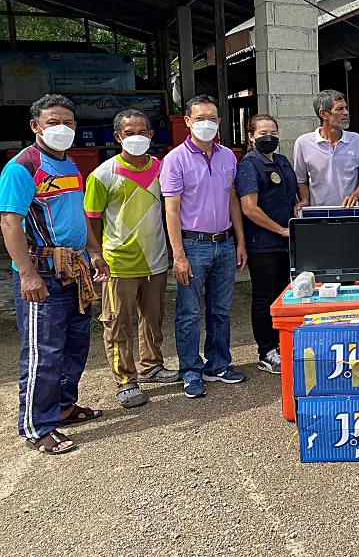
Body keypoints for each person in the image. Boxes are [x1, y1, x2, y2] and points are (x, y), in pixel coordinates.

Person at [0, 94, 109, 454]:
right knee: (43, 351)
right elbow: (10, 222)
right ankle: (37, 425)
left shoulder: (71, 166)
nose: (62, 129)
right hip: (42, 273)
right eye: (53, 122)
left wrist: (94, 252)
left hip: (74, 268)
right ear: (35, 126)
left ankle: (63, 405)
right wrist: (27, 275)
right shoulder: (22, 168)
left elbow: (79, 216)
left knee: (76, 344)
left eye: (69, 122)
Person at [84, 109, 179, 410]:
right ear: (117, 137)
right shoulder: (102, 175)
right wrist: (95, 254)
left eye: (142, 132)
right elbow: (92, 219)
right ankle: (125, 380)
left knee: (153, 318)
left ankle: (151, 364)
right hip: (118, 263)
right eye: (129, 132)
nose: (136, 137)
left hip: (155, 260)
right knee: (117, 323)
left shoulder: (163, 169)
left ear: (151, 135)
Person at [160, 94, 247, 399]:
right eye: (200, 119)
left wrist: (240, 241)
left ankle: (219, 364)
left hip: (223, 243)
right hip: (192, 245)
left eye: (212, 118)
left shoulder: (227, 157)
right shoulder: (174, 160)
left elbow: (232, 200)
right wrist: (178, 255)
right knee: (189, 312)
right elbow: (171, 210)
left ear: (219, 122)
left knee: (221, 310)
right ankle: (191, 370)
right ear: (188, 122)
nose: (207, 124)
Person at [236, 114, 299, 375]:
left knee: (286, 294)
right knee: (265, 297)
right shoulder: (249, 165)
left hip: (287, 241)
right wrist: (280, 230)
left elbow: (292, 193)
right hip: (264, 243)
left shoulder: (282, 161)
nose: (269, 137)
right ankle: (266, 351)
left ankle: (283, 343)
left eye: (273, 132)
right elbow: (249, 209)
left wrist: (299, 204)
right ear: (251, 136)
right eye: (263, 133)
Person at [294, 90, 359, 208]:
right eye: (339, 109)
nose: (346, 113)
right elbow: (301, 180)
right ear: (323, 114)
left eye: (345, 108)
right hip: (318, 214)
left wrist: (355, 196)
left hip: (350, 213)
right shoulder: (303, 143)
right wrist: (304, 199)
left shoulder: (357, 141)